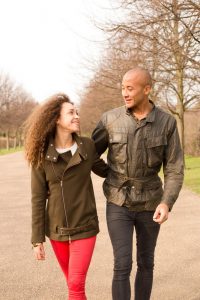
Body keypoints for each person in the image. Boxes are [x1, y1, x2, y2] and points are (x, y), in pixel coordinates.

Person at [92, 67, 184, 300]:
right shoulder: (110, 119)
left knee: (146, 263)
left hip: (151, 202)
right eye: (123, 88)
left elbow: (174, 168)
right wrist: (110, 173)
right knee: (122, 264)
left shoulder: (167, 123)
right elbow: (90, 154)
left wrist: (166, 203)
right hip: (117, 201)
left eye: (130, 88)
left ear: (147, 89)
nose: (125, 93)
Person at [24, 93, 108, 300]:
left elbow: (107, 172)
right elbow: (37, 198)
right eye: (71, 112)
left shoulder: (87, 146)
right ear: (56, 119)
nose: (76, 116)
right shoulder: (42, 155)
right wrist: (37, 240)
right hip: (57, 231)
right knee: (73, 285)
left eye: (76, 111)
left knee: (75, 285)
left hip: (85, 226)